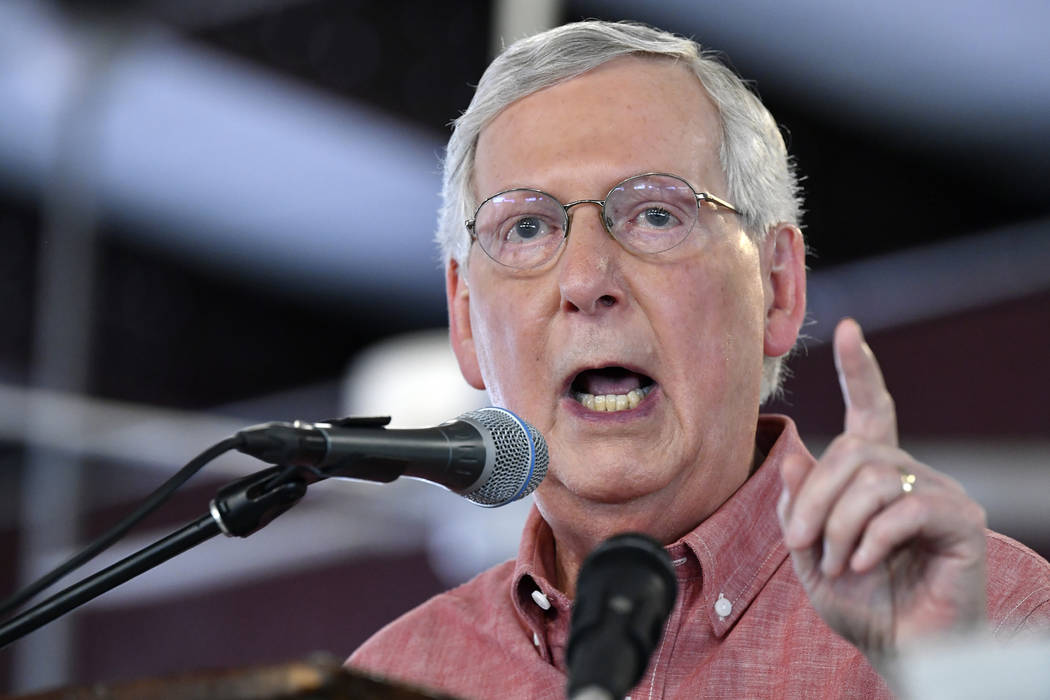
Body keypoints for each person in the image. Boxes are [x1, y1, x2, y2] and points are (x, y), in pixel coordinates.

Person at [347, 20, 1050, 698]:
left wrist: (949, 681)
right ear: (465, 319)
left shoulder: (994, 627)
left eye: (655, 214)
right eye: (526, 227)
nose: (588, 279)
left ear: (777, 288)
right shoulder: (397, 679)